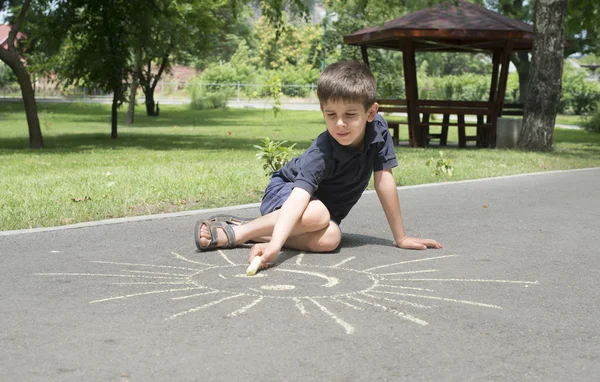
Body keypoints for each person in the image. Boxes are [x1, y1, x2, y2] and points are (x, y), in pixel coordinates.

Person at [195, 60, 442, 270]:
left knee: (331, 239)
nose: (340, 124)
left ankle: (251, 227)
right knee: (317, 214)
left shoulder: (378, 130)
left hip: (319, 216)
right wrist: (275, 247)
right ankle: (238, 234)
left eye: (350, 115)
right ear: (322, 111)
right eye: (331, 115)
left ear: (371, 112)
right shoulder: (322, 151)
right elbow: (299, 198)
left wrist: (401, 237)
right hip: (286, 194)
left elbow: (383, 179)